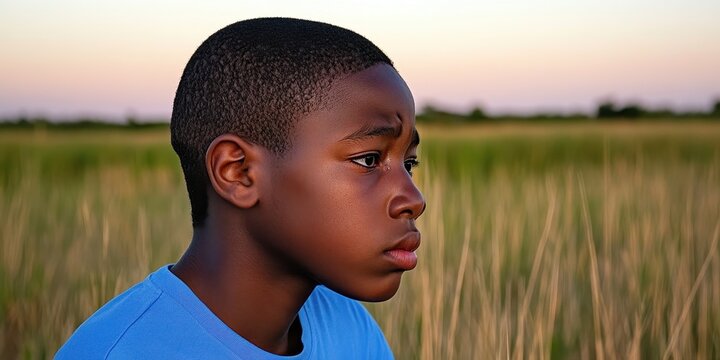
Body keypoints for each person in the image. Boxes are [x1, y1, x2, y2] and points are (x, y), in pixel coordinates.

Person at [56, 17, 425, 359]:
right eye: (368, 160)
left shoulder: (350, 330)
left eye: (408, 164)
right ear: (238, 172)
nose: (413, 199)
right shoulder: (118, 352)